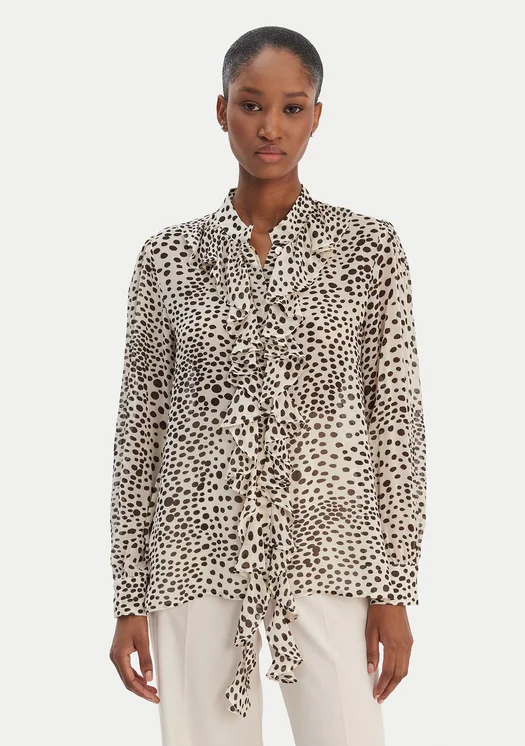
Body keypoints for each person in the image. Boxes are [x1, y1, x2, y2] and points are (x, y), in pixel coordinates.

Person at [108, 25, 428, 746]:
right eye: (251, 105)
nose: (270, 127)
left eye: (292, 107)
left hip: (332, 550)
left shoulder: (368, 248)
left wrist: (395, 588)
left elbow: (398, 424)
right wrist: (128, 595)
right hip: (194, 555)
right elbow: (139, 434)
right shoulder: (168, 257)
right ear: (221, 109)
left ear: (317, 115)